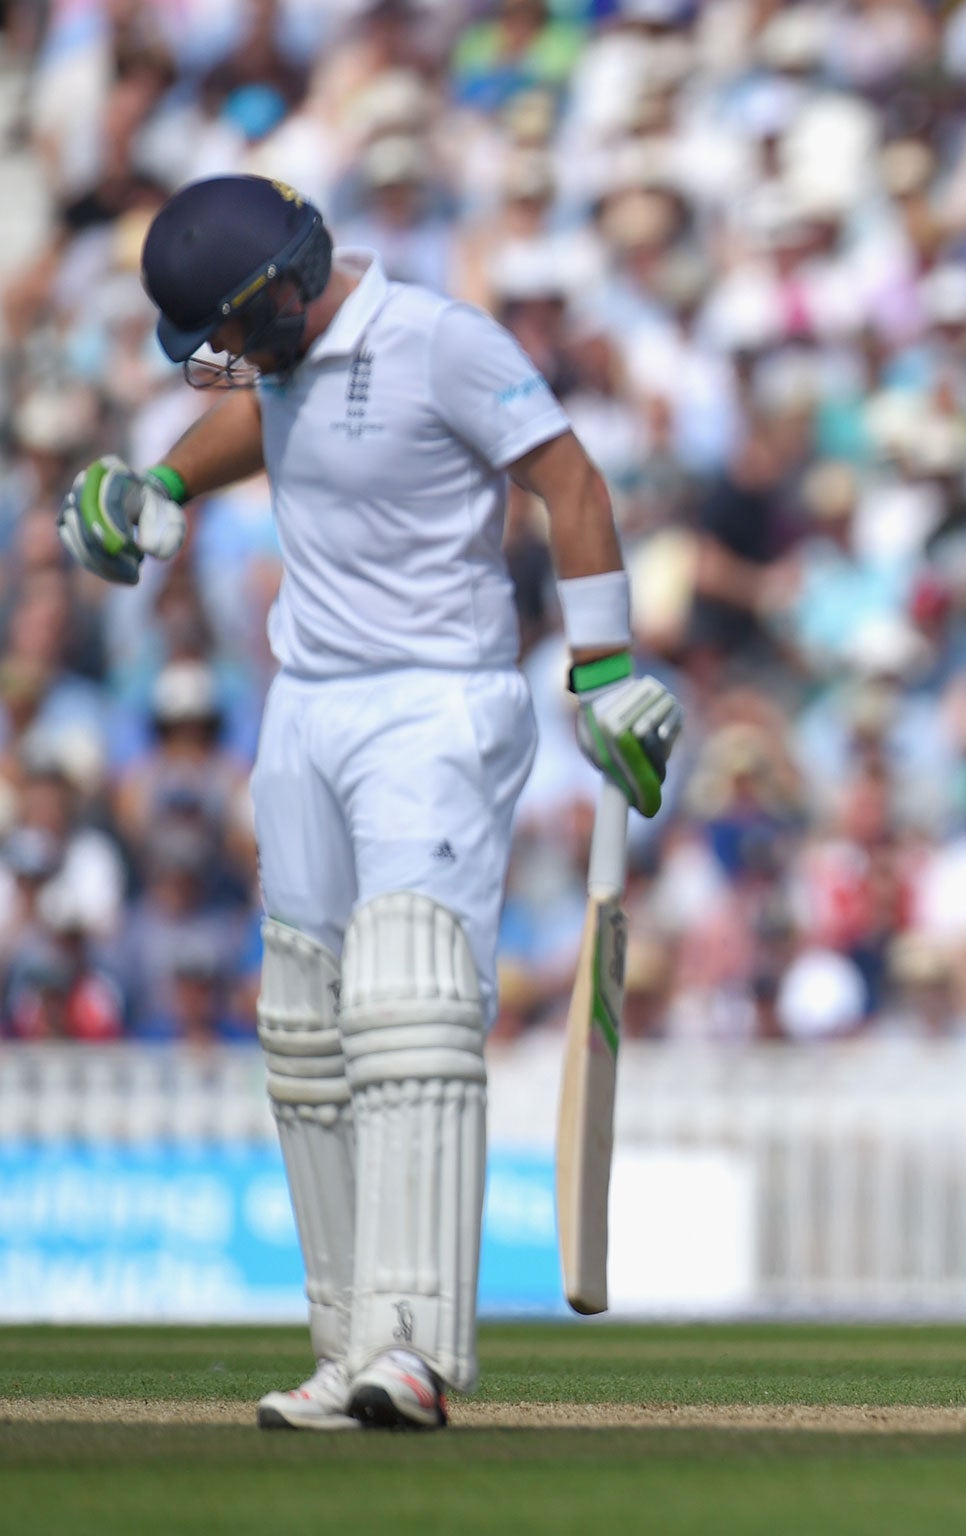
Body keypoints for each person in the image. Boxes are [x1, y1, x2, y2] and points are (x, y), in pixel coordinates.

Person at [58, 176, 681, 1430]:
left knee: (406, 1000)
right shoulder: (285, 368)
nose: (224, 360)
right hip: (308, 703)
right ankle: (345, 1347)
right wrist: (165, 491)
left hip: (435, 701)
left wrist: (603, 670)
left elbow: (569, 482)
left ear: (283, 288)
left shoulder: (441, 340)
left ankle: (415, 1347)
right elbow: (276, 430)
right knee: (302, 1024)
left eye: (230, 330)